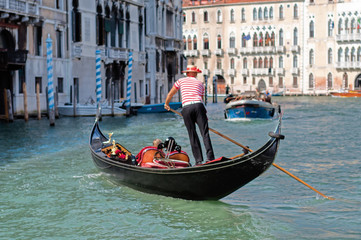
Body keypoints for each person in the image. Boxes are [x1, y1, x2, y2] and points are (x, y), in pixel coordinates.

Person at [164, 65, 215, 165]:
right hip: (199, 106)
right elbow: (201, 100)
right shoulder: (200, 83)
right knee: (204, 134)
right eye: (195, 73)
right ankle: (210, 158)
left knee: (192, 135)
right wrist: (204, 115)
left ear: (187, 73)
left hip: (186, 108)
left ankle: (198, 161)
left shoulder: (180, 81)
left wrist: (166, 104)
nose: (196, 74)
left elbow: (170, 94)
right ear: (194, 73)